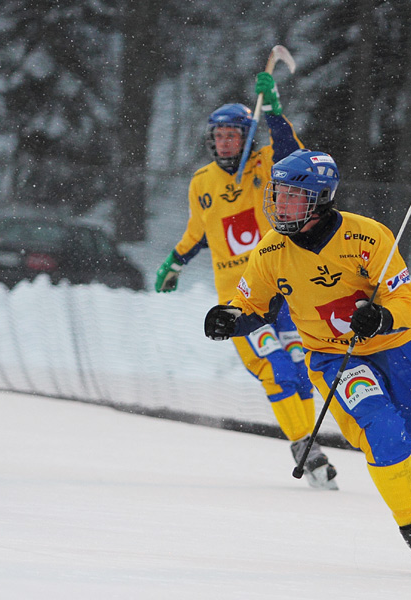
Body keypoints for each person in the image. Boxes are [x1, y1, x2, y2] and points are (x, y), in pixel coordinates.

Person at [203, 149, 411, 578]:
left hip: (401, 347)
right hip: (334, 355)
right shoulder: (271, 251)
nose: (278, 203)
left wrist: (382, 315)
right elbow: (252, 304)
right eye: (277, 193)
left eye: (291, 196)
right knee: (385, 432)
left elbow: (408, 299)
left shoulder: (369, 237)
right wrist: (231, 319)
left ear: (319, 199)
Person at [154, 74, 338, 490]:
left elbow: (297, 153)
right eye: (217, 136)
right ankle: (304, 445)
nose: (223, 142)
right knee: (275, 370)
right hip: (241, 303)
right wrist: (175, 261)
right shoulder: (202, 182)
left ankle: (308, 446)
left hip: (283, 291)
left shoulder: (267, 167)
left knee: (299, 367)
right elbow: (198, 232)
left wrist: (273, 112)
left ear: (246, 137)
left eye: (232, 135)